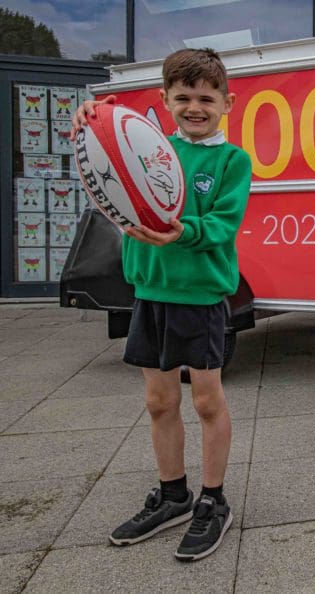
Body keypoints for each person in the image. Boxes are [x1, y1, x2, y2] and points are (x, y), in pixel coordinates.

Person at [69, 48, 252, 561]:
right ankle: (174, 494)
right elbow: (105, 145)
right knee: (158, 402)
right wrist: (88, 120)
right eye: (183, 97)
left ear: (227, 103)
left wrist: (181, 233)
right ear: (164, 100)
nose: (195, 107)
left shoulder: (231, 161)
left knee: (207, 401)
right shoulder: (149, 149)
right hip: (148, 294)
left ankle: (213, 501)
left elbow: (223, 224)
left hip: (200, 298)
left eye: (206, 98)